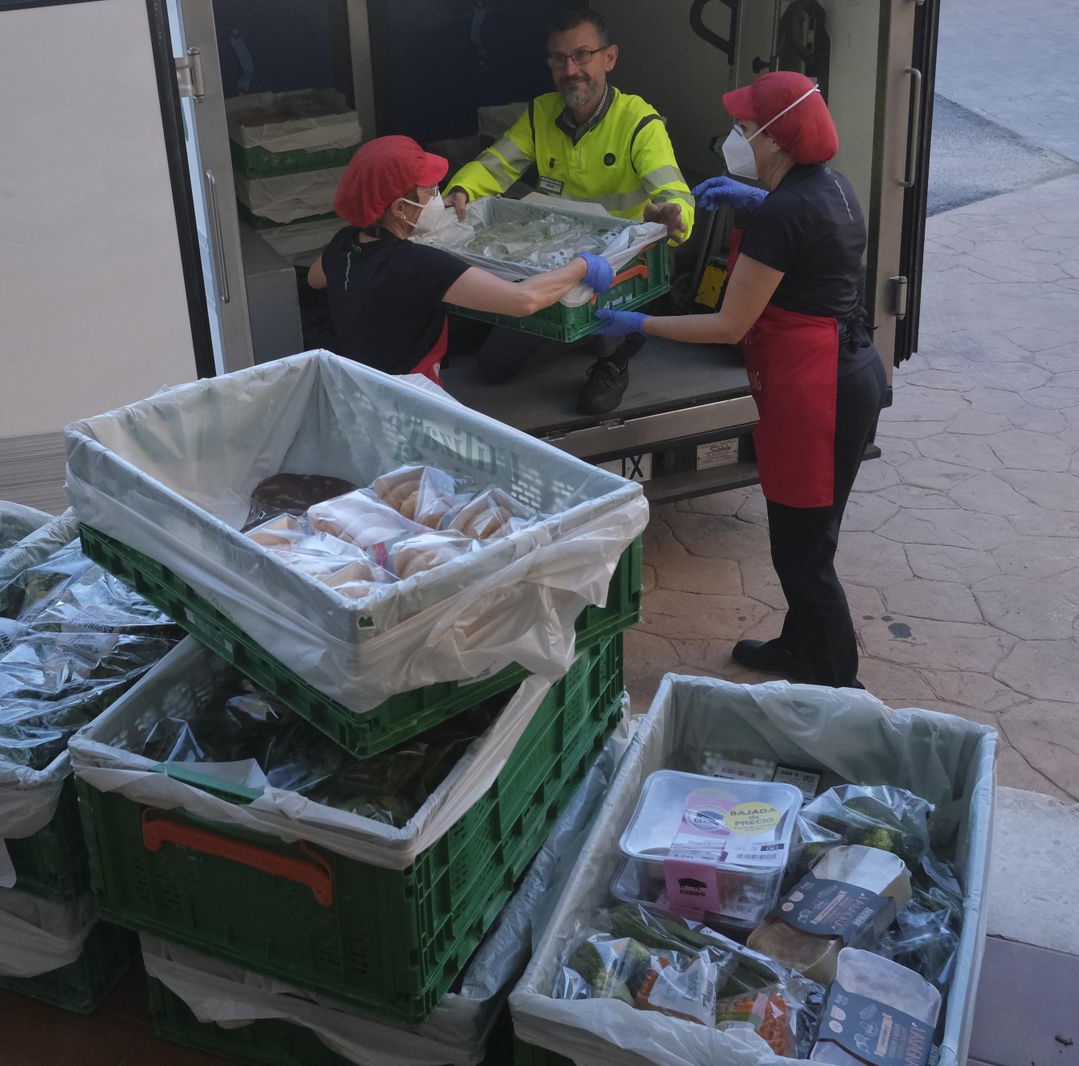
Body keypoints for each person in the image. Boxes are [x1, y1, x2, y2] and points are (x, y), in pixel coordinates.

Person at [592, 70, 885, 690]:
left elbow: (728, 325)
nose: (737, 137)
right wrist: (761, 203)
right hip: (845, 377)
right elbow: (806, 236)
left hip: (819, 394)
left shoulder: (787, 212)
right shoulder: (833, 185)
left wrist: (637, 320)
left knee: (803, 553)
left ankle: (838, 687)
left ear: (776, 140)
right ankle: (798, 647)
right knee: (806, 539)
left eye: (747, 128)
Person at [444, 5, 694, 415]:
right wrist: (462, 188)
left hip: (616, 268)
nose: (571, 68)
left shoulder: (638, 122)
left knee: (595, 401)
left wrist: (676, 215)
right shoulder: (540, 113)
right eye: (559, 58)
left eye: (582, 55)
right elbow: (498, 163)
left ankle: (615, 354)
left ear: (609, 58)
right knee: (493, 368)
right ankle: (573, 331)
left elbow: (674, 190)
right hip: (555, 265)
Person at [308, 135, 621, 383]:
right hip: (410, 401)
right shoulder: (418, 265)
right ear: (400, 209)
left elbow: (314, 277)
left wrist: (417, 217)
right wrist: (582, 265)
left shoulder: (343, 245)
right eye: (429, 190)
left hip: (357, 389)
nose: (436, 194)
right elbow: (523, 300)